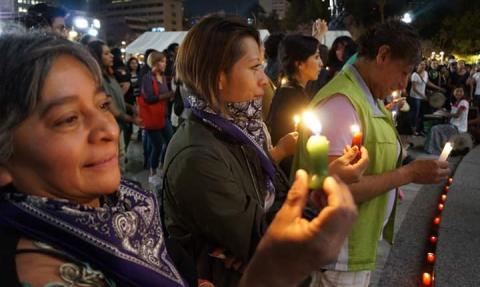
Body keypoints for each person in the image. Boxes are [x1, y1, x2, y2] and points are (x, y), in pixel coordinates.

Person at [0, 31, 359, 287]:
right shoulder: (41, 270)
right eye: (67, 119)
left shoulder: (126, 205)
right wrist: (271, 271)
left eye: (103, 105)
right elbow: (254, 239)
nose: (107, 129)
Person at [162, 16, 368, 286]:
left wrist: (248, 246)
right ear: (218, 77)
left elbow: (274, 201)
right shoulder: (198, 156)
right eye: (255, 68)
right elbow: (268, 244)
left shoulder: (241, 130)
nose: (264, 80)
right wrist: (324, 182)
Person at [292, 20, 450, 287]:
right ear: (383, 55)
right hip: (336, 257)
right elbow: (336, 189)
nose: (402, 83)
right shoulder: (342, 103)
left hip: (351, 249)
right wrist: (406, 174)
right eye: (403, 72)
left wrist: (388, 184)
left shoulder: (366, 96)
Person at [267, 34, 322, 176]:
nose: (321, 63)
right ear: (300, 64)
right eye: (316, 57)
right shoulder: (291, 98)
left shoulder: (292, 90)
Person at [87, 40, 141, 171]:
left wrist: (130, 107)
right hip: (111, 128)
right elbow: (113, 110)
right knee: (116, 164)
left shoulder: (109, 76)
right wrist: (134, 120)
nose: (111, 56)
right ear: (96, 56)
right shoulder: (97, 80)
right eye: (106, 53)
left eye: (110, 53)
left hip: (119, 127)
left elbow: (118, 100)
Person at [138, 51, 174, 185]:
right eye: (162, 61)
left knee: (170, 142)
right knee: (157, 145)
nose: (165, 64)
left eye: (165, 61)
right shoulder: (148, 78)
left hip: (164, 116)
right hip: (152, 118)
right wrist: (167, 95)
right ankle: (152, 172)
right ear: (154, 63)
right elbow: (149, 98)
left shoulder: (163, 77)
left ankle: (160, 166)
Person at [425, 85, 470, 154]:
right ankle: (436, 149)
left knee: (435, 129)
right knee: (436, 128)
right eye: (457, 91)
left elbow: (457, 115)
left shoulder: (464, 102)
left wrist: (444, 114)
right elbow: (452, 114)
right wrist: (443, 111)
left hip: (457, 128)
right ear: (453, 92)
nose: (458, 93)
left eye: (461, 91)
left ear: (464, 93)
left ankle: (436, 150)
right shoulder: (456, 102)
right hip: (452, 125)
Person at [409, 60, 445, 135]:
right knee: (415, 113)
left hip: (422, 97)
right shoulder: (414, 75)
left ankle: (420, 129)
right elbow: (414, 88)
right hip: (415, 97)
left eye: (424, 64)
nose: (423, 66)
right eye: (421, 64)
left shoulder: (425, 73)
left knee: (422, 114)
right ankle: (413, 130)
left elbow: (427, 82)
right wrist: (423, 96)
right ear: (417, 66)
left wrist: (438, 88)